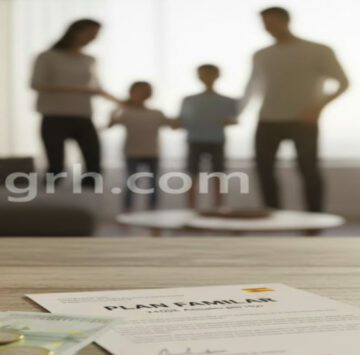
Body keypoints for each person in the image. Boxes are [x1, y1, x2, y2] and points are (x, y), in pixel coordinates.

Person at [241, 7, 349, 212]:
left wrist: (318, 108)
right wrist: (236, 114)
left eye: (271, 23)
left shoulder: (318, 50)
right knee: (264, 170)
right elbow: (252, 87)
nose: (267, 28)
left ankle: (314, 219)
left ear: (285, 21)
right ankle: (273, 216)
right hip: (268, 120)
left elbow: (343, 83)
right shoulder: (261, 54)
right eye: (264, 24)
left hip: (303, 120)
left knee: (308, 169)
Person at [30, 19, 118, 187]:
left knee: (94, 166)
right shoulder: (47, 57)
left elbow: (97, 88)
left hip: (83, 116)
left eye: (95, 35)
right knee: (56, 167)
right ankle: (49, 200)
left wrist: (124, 103)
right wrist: (81, 90)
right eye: (90, 34)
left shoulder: (89, 59)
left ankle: (88, 199)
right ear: (75, 31)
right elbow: (36, 84)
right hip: (54, 117)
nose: (93, 38)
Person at [108, 81, 176, 211]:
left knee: (153, 184)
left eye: (147, 91)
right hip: (132, 153)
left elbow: (173, 125)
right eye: (141, 91)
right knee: (132, 182)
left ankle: (153, 213)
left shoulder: (156, 113)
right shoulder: (126, 112)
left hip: (152, 152)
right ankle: (126, 212)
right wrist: (119, 106)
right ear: (131, 92)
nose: (144, 93)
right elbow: (110, 124)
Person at [179, 64, 238, 209]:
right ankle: (190, 211)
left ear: (217, 76)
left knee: (218, 176)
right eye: (202, 74)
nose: (206, 78)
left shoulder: (228, 100)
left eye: (209, 74)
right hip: (194, 140)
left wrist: (229, 121)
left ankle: (219, 210)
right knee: (192, 175)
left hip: (216, 141)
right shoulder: (188, 100)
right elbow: (182, 121)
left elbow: (234, 119)